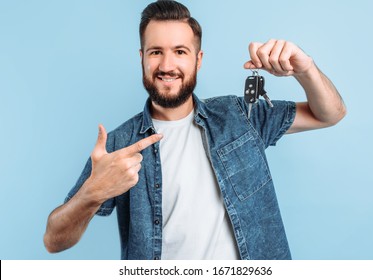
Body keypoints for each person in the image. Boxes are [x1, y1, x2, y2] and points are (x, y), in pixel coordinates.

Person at [44, 0, 346, 260]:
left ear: (198, 60)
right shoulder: (119, 145)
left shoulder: (241, 115)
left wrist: (305, 69)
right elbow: (53, 240)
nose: (167, 64)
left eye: (180, 51)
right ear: (141, 58)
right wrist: (91, 194)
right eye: (155, 52)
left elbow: (330, 114)